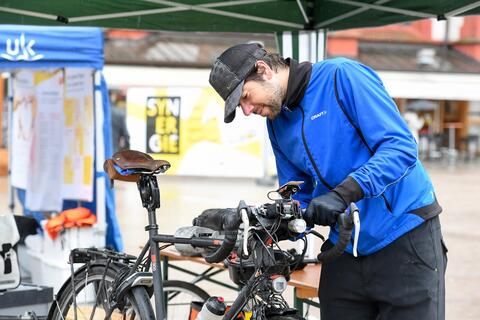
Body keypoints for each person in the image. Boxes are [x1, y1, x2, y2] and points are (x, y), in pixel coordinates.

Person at [208, 43, 447, 320]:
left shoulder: (341, 76)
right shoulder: (277, 122)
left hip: (403, 234)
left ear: (263, 70)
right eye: (241, 106)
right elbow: (298, 192)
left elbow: (400, 148)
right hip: (344, 247)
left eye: (246, 97)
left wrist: (343, 193)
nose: (247, 111)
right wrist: (272, 224)